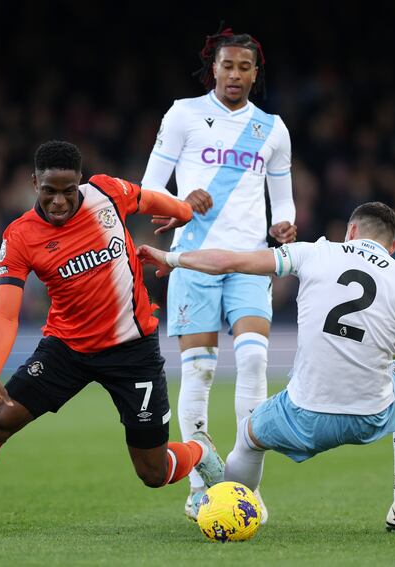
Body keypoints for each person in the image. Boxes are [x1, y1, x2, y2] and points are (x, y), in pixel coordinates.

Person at [0, 141, 225, 534]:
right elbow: (5, 312)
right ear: (34, 183)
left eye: (68, 191)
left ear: (80, 182)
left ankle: (199, 451)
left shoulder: (107, 193)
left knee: (153, 473)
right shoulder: (20, 236)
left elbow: (155, 201)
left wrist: (184, 210)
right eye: (49, 191)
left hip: (133, 350)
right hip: (67, 349)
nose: (58, 201)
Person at [138, 202, 395, 532]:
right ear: (392, 247)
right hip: (370, 415)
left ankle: (234, 503)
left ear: (351, 231)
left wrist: (171, 259)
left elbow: (229, 261)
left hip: (302, 415)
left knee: (248, 437)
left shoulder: (314, 253)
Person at [140, 26, 296, 522]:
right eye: (227, 65)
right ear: (213, 68)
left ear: (255, 73)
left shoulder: (272, 128)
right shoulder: (183, 114)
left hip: (248, 261)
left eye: (244, 67)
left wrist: (284, 224)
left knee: (253, 362)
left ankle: (245, 488)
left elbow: (283, 201)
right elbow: (147, 189)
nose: (234, 74)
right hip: (193, 258)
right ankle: (199, 486)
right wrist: (181, 203)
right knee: (200, 371)